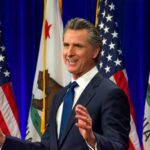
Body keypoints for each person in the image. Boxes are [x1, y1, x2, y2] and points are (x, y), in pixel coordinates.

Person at [0, 18, 130, 150]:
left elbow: (119, 147)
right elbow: (47, 147)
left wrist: (92, 139)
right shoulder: (60, 96)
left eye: (78, 46)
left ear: (95, 51)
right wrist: (4, 141)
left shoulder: (110, 94)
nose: (69, 53)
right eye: (66, 45)